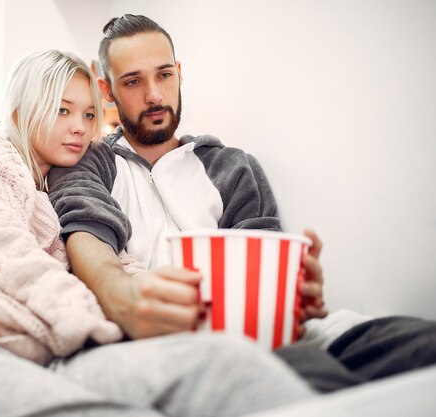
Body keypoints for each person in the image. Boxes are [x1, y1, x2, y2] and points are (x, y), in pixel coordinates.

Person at [0, 50, 315, 417]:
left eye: (88, 113)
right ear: (23, 111)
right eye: (62, 110)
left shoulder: (55, 188)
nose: (80, 127)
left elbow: (116, 259)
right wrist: (108, 321)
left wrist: (176, 307)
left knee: (227, 365)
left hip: (48, 357)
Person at [48, 14, 436, 392]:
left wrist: (293, 290)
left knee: (420, 343)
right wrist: (122, 296)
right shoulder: (86, 162)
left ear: (179, 73)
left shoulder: (233, 166)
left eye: (164, 75)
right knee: (307, 375)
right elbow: (87, 233)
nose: (153, 95)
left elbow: (264, 262)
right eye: (133, 81)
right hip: (192, 346)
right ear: (106, 89)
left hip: (284, 328)